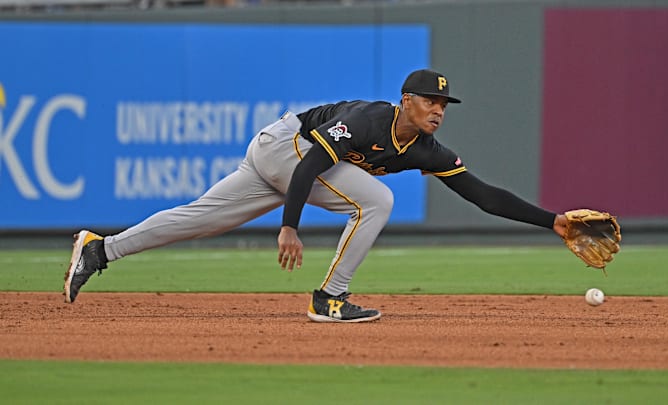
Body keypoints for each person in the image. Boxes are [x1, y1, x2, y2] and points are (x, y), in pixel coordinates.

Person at [64, 69, 569, 323]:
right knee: (376, 200)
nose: (438, 109)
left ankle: (99, 248)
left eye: (443, 103)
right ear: (406, 101)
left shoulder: (428, 150)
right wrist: (290, 226)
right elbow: (311, 163)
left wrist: (555, 223)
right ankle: (330, 298)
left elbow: (484, 195)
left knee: (199, 219)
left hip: (278, 157)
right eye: (429, 101)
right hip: (289, 148)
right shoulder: (370, 120)